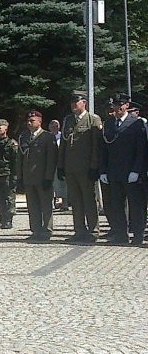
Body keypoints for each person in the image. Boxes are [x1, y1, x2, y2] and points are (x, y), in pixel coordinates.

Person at [99, 93, 147, 245]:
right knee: (116, 205)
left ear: (127, 105)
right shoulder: (108, 124)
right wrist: (103, 171)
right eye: (115, 105)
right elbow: (103, 149)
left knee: (136, 205)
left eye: (121, 105)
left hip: (131, 171)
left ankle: (138, 235)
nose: (118, 107)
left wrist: (137, 170)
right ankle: (120, 234)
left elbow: (141, 149)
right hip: (114, 171)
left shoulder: (137, 123)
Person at [58, 91, 102, 243]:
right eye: (71, 102)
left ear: (84, 102)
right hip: (71, 168)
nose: (73, 105)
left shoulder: (93, 119)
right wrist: (61, 166)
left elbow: (96, 146)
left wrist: (94, 166)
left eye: (76, 102)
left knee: (89, 200)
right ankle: (79, 230)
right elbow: (63, 144)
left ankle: (93, 231)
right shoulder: (68, 121)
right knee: (75, 200)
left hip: (86, 167)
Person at [17, 110, 58, 242]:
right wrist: (20, 176)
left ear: (39, 122)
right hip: (29, 178)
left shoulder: (47, 137)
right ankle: (35, 230)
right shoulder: (23, 137)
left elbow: (51, 159)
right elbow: (20, 158)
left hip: (42, 177)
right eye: (28, 121)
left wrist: (48, 177)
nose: (29, 123)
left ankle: (46, 231)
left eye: (32, 121)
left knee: (46, 206)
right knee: (33, 206)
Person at [48, 119, 69, 211]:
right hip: (49, 164)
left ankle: (64, 203)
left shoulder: (62, 136)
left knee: (63, 184)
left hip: (60, 163)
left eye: (56, 126)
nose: (54, 128)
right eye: (52, 126)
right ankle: (51, 204)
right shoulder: (46, 136)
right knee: (51, 184)